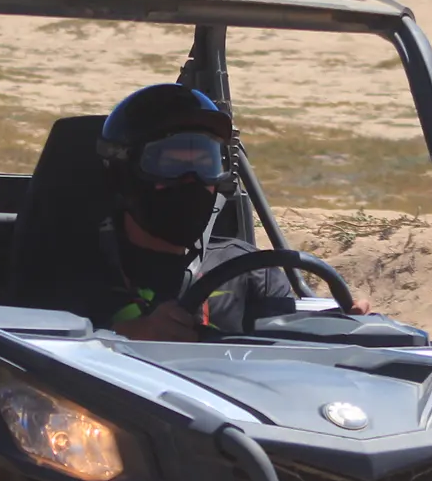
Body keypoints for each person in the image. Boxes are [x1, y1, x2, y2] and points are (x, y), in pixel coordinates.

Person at [71, 84, 295, 341]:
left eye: (204, 164)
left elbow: (291, 356)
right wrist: (129, 335)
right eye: (170, 164)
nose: (191, 181)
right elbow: (40, 353)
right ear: (123, 174)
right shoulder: (72, 271)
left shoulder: (254, 274)